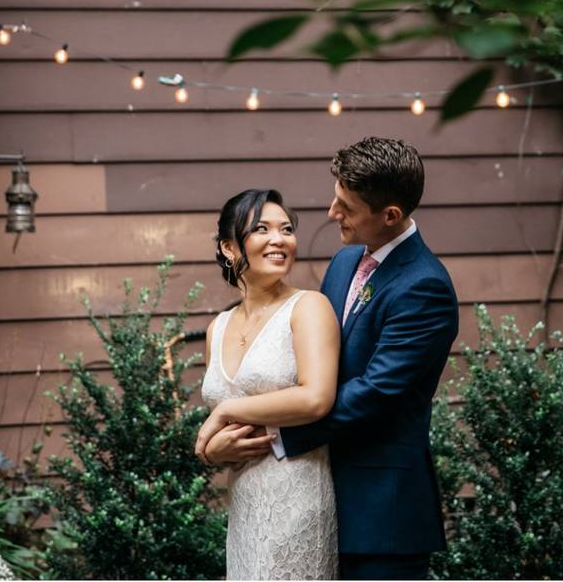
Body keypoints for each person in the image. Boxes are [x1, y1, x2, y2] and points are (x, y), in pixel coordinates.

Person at [197, 137, 459, 580]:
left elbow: (375, 393)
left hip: (381, 513)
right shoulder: (343, 263)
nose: (332, 213)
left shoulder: (424, 286)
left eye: (346, 206)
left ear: (390, 215)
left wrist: (268, 434)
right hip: (309, 492)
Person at [197, 189, 340, 580]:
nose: (279, 239)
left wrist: (226, 411)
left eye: (287, 229)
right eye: (262, 229)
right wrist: (214, 452)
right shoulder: (217, 327)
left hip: (298, 494)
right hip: (243, 502)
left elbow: (315, 398)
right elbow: (224, 433)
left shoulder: (308, 307)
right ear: (229, 247)